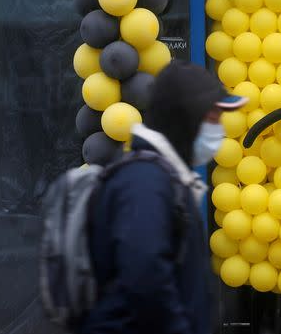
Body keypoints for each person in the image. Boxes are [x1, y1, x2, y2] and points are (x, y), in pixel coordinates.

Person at [79, 60, 247, 334]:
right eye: (213, 119)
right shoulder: (145, 181)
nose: (220, 129)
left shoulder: (165, 178)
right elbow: (145, 275)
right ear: (186, 120)